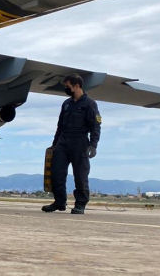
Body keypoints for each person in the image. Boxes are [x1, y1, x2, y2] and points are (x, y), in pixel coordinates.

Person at [42, 73, 101, 214]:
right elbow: (59, 126)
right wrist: (54, 144)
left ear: (77, 86)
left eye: (68, 86)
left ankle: (80, 204)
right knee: (56, 173)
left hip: (80, 142)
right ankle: (59, 202)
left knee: (80, 175)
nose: (66, 89)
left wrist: (93, 145)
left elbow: (95, 126)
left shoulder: (90, 104)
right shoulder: (66, 104)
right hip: (63, 142)